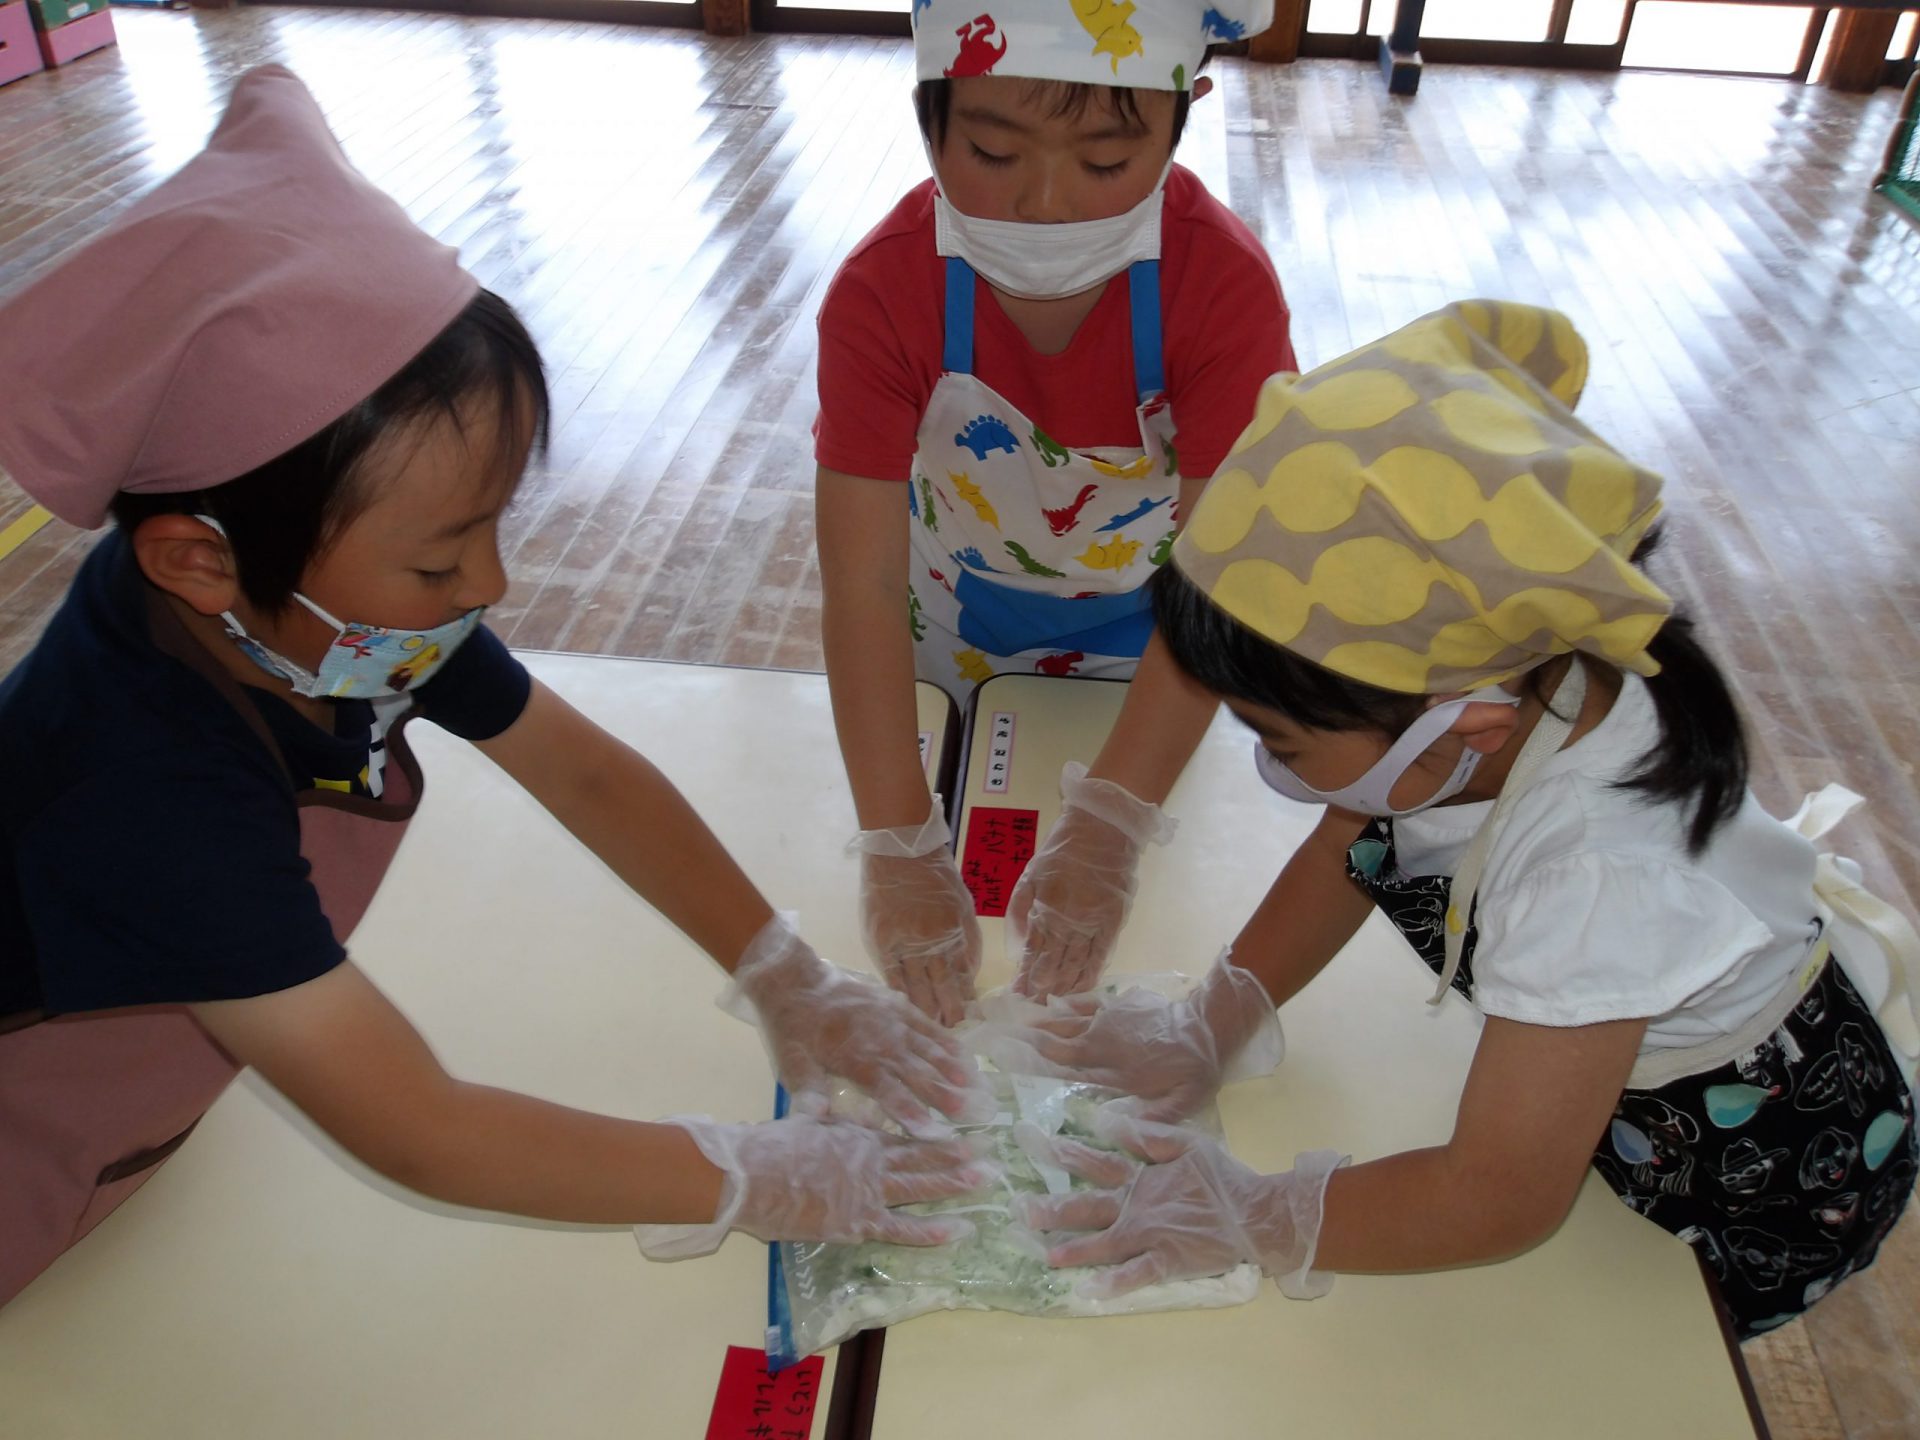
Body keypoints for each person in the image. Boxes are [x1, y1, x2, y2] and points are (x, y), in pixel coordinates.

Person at [0, 67, 994, 1308]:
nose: (492, 583)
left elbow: (584, 774)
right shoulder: (152, 799)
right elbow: (423, 1129)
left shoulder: (320, 612)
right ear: (199, 560)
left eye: (492, 527)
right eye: (441, 559)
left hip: (150, 1072)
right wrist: (751, 1177)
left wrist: (783, 972)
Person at [999, 300, 1920, 1335]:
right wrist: (1213, 1022)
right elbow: (1358, 841)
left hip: (1751, 1167)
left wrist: (1249, 1213)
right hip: (1597, 1064)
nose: (1272, 767)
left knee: (1627, 1351)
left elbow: (1497, 1198)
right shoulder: (1509, 687)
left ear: (1461, 724)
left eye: (1283, 744)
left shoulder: (1595, 878)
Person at [814, 0, 1299, 1023]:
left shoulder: (1222, 291)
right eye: (993, 152)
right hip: (950, 629)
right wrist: (898, 839)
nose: (1045, 204)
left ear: (1182, 116)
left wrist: (1115, 819)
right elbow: (860, 586)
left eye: (1106, 162)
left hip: (1160, 650)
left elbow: (1223, 582)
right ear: (929, 115)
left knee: (1149, 926)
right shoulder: (884, 292)